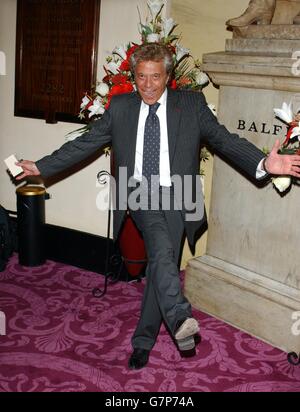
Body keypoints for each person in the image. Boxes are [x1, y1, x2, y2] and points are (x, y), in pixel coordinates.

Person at [17, 43, 300, 370]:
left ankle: (143, 341)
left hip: (179, 194)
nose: (148, 85)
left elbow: (224, 140)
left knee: (160, 266)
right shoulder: (121, 107)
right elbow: (86, 143)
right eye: (141, 77)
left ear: (168, 76)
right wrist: (42, 166)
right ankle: (180, 314)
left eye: (155, 77)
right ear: (134, 76)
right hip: (139, 192)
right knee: (162, 250)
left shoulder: (191, 105)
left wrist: (264, 163)